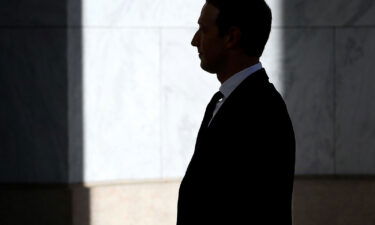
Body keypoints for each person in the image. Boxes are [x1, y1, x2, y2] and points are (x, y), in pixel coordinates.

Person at [176, 0, 296, 224]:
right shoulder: (224, 100)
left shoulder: (263, 110)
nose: (194, 41)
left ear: (231, 37)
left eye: (203, 29)